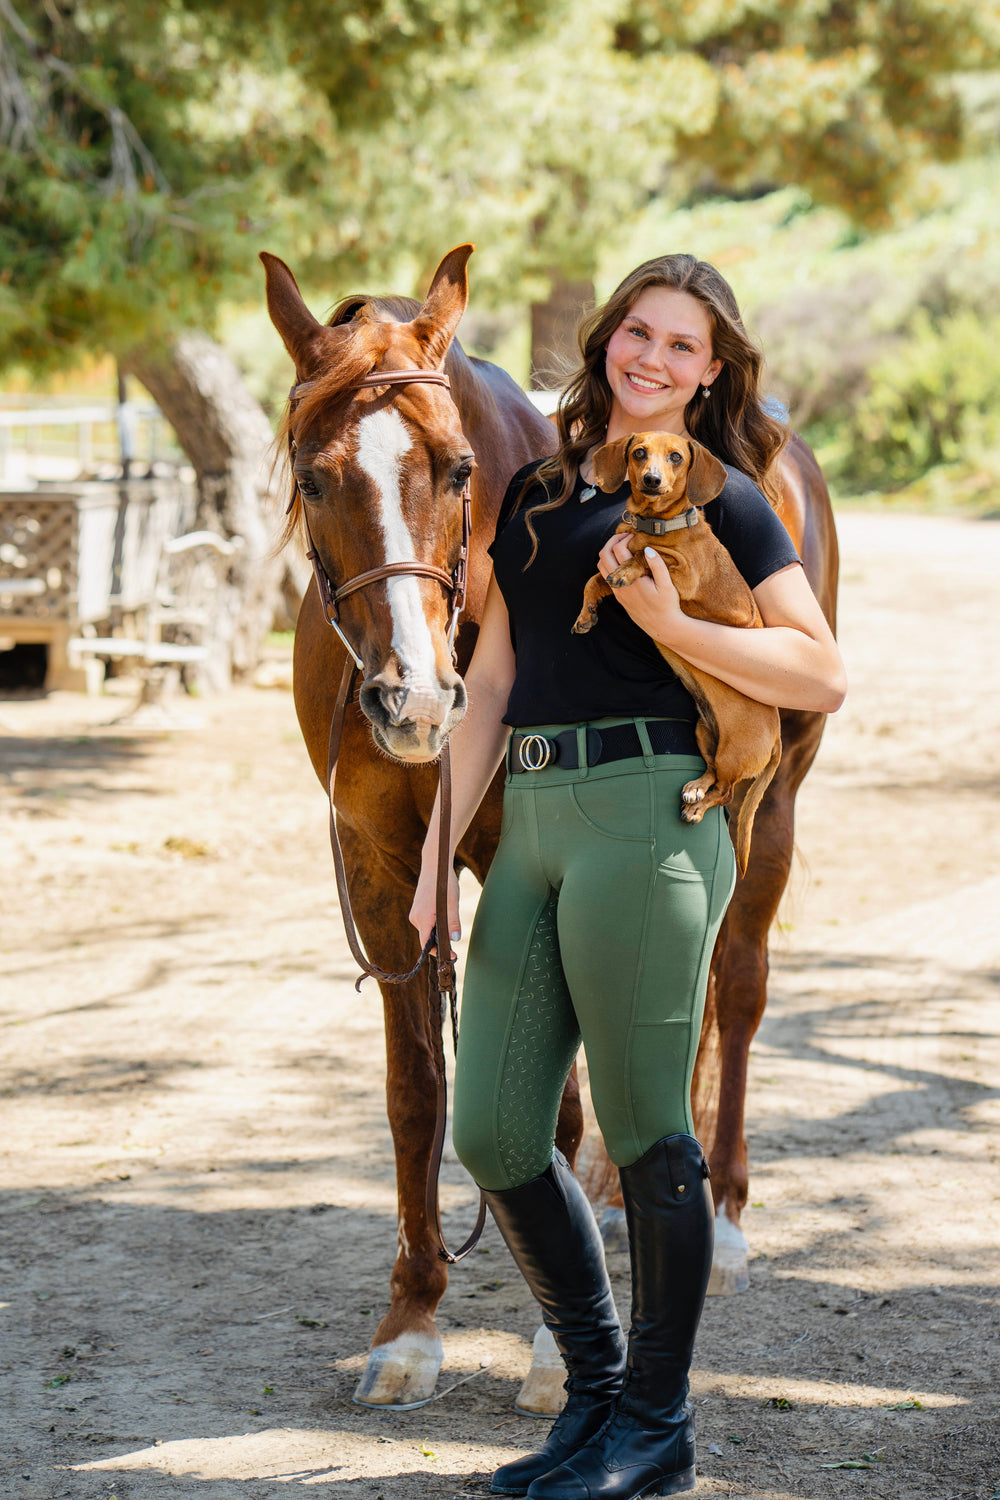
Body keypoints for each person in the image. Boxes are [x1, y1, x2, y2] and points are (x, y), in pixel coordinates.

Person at [409, 254, 846, 1500]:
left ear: (712, 373)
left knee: (650, 1126)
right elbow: (488, 687)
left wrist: (673, 630)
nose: (650, 358)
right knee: (494, 1129)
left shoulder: (732, 505)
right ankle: (595, 1397)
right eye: (636, 333)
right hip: (531, 816)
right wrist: (438, 857)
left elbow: (817, 673)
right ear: (606, 341)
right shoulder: (538, 497)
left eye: (681, 346)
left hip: (651, 816)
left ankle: (654, 1429)